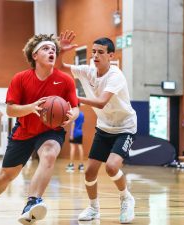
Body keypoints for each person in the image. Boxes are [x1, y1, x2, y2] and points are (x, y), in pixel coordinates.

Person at [0, 33, 79, 224]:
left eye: (53, 49)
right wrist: (31, 107)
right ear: (34, 55)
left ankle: (32, 201)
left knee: (49, 154)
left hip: (51, 130)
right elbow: (11, 110)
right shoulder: (20, 78)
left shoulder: (66, 80)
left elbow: (76, 106)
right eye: (45, 49)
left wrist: (73, 116)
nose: (51, 51)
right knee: (6, 176)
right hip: (24, 131)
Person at [61, 31, 137, 223]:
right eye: (93, 51)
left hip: (124, 127)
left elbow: (101, 102)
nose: (95, 55)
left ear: (111, 56)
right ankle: (94, 208)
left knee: (111, 167)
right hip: (104, 127)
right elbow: (60, 67)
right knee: (89, 172)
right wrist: (61, 51)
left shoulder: (116, 76)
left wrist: (74, 99)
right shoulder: (87, 71)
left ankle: (126, 198)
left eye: (100, 52)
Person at [66, 103, 85, 171]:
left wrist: (71, 134)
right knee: (80, 148)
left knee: (72, 148)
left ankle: (71, 165)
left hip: (74, 133)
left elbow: (73, 123)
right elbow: (82, 123)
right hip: (80, 132)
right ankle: (81, 165)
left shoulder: (75, 114)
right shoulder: (82, 114)